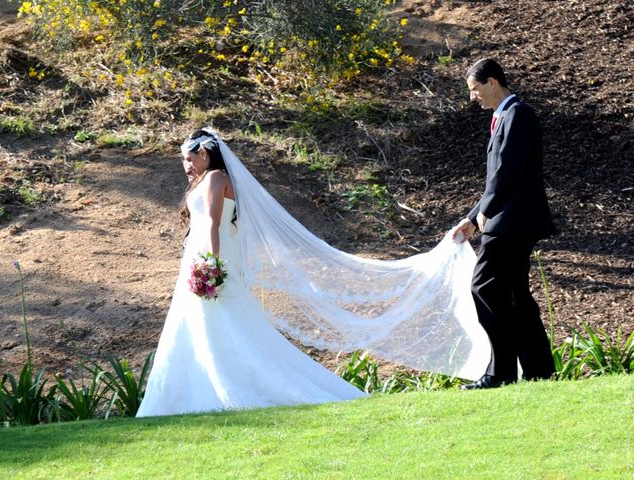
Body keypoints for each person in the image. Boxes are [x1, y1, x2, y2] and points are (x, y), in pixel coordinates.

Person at [137, 128, 489, 417]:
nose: (185, 165)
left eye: (188, 157)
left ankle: (228, 388)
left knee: (224, 323)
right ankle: (196, 394)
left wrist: (210, 265)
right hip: (200, 260)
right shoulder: (204, 181)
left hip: (210, 259)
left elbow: (214, 224)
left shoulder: (215, 177)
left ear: (204, 153)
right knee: (203, 324)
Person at [452, 58, 556, 390]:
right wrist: (471, 218)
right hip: (507, 219)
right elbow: (497, 178)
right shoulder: (505, 117)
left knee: (484, 288)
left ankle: (501, 373)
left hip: (512, 221)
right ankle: (538, 370)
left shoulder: (519, 115)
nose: (473, 97)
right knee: (514, 295)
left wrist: (483, 214)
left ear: (493, 82)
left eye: (476, 89)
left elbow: (507, 172)